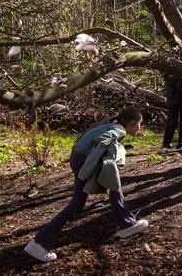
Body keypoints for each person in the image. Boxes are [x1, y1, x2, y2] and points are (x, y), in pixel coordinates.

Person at [24, 107, 149, 262]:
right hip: (84, 160)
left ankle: (38, 244)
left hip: (78, 158)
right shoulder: (119, 130)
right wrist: (104, 160)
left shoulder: (110, 125)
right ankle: (127, 224)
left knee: (78, 203)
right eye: (139, 124)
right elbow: (103, 139)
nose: (140, 128)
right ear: (131, 123)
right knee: (112, 183)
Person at [162, 73, 182, 149]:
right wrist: (180, 72)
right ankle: (166, 145)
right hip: (173, 99)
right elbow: (168, 79)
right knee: (171, 122)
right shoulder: (170, 65)